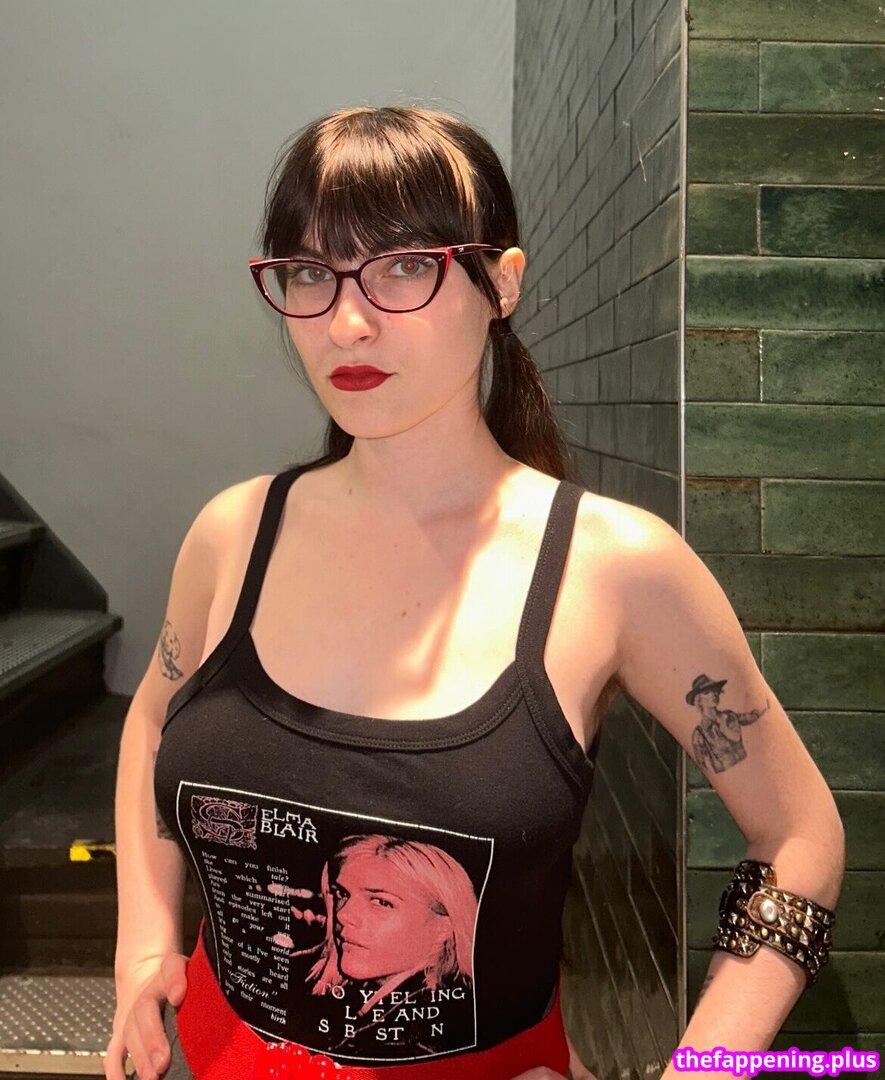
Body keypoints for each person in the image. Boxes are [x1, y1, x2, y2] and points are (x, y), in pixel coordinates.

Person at [105, 105, 844, 1080]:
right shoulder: (232, 534)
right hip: (211, 1051)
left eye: (406, 265)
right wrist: (144, 940)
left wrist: (707, 1068)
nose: (348, 320)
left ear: (502, 282)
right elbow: (152, 719)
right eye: (311, 273)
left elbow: (799, 831)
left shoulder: (613, 567)